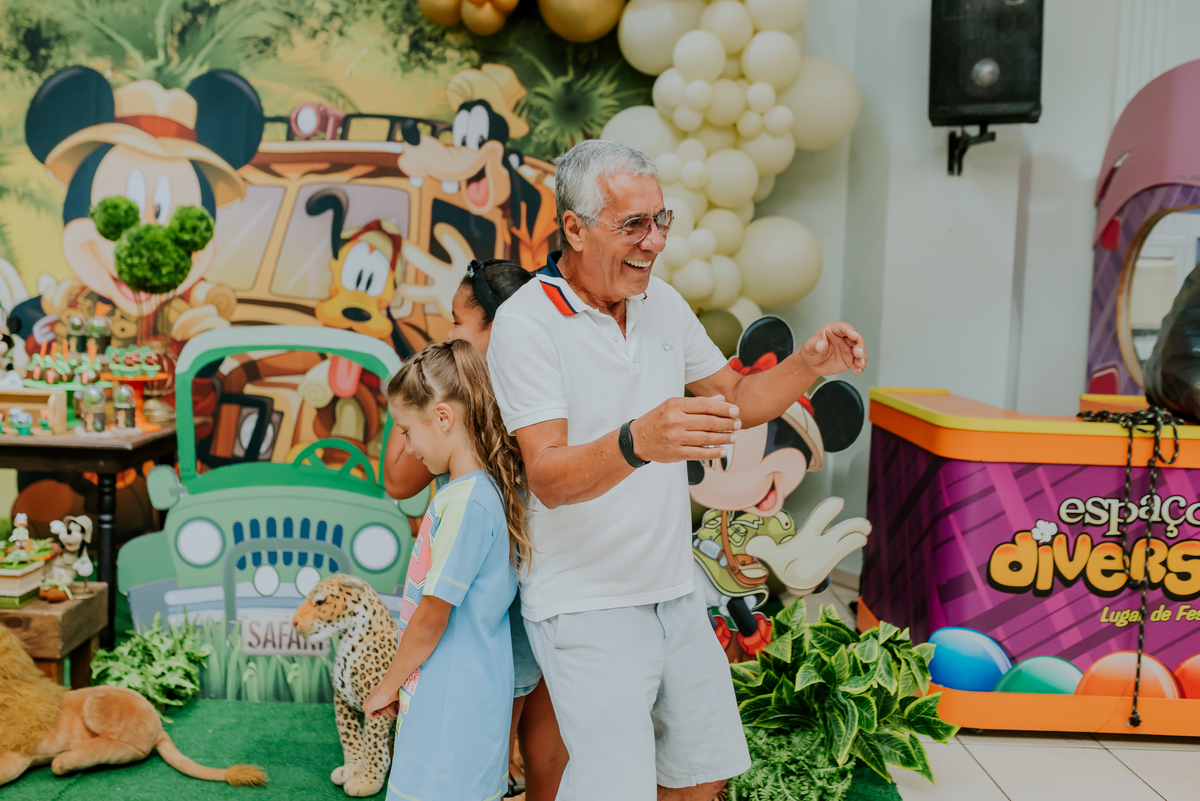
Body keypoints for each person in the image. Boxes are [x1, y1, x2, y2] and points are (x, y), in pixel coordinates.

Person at [486, 139, 867, 801]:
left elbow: (739, 399)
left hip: (673, 586)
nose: (654, 240)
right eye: (632, 224)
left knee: (702, 772)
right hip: (585, 601)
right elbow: (546, 473)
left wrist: (808, 363)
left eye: (661, 219)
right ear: (574, 227)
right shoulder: (526, 326)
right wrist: (639, 440)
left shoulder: (660, 304)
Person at [382, 259, 569, 800]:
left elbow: (397, 477)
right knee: (514, 719)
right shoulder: (481, 409)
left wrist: (424, 380)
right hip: (518, 582)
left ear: (500, 325)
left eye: (460, 322)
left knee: (511, 719)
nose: (450, 333)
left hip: (514, 592)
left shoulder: (494, 413)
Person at [364, 338, 530, 801]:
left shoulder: (469, 502)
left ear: (442, 417)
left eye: (405, 430)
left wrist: (387, 686)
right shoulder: (470, 493)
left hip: (456, 698)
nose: (407, 446)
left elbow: (434, 615)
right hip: (450, 689)